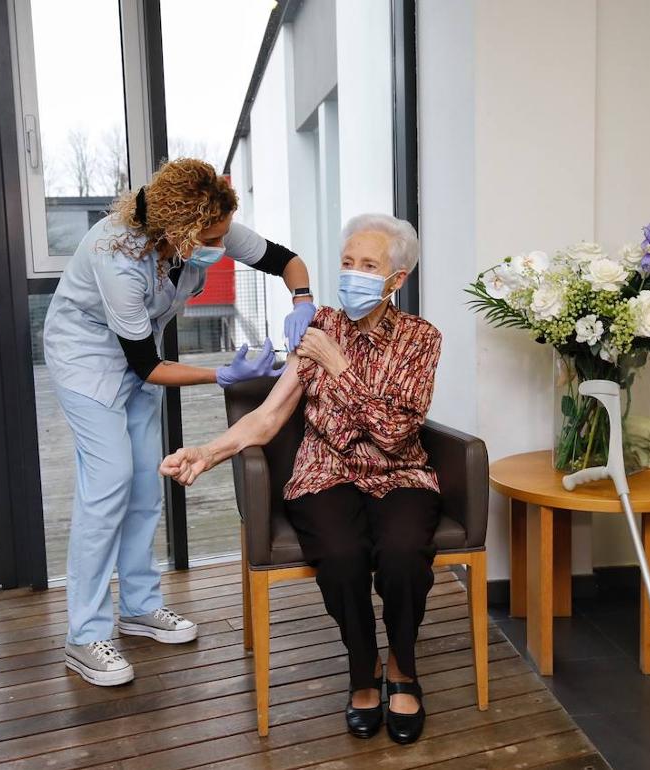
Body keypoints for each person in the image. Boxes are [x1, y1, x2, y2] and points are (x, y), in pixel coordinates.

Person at [160, 213, 441, 744]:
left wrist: (339, 367)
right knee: (340, 556)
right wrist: (208, 452)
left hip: (399, 471)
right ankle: (364, 670)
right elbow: (269, 416)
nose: (352, 274)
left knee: (404, 555)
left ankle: (403, 667)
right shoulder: (322, 327)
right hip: (326, 472)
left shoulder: (420, 340)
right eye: (346, 263)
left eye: (368, 266)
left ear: (396, 281)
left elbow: (396, 434)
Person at [43, 158, 317, 687]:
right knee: (108, 484)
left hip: (138, 360)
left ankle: (140, 606)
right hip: (86, 361)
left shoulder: (206, 225)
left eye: (222, 233)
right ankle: (84, 633)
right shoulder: (115, 256)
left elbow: (286, 260)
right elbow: (148, 364)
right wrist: (223, 374)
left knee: (147, 482)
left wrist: (302, 301)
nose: (222, 244)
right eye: (212, 237)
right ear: (179, 230)